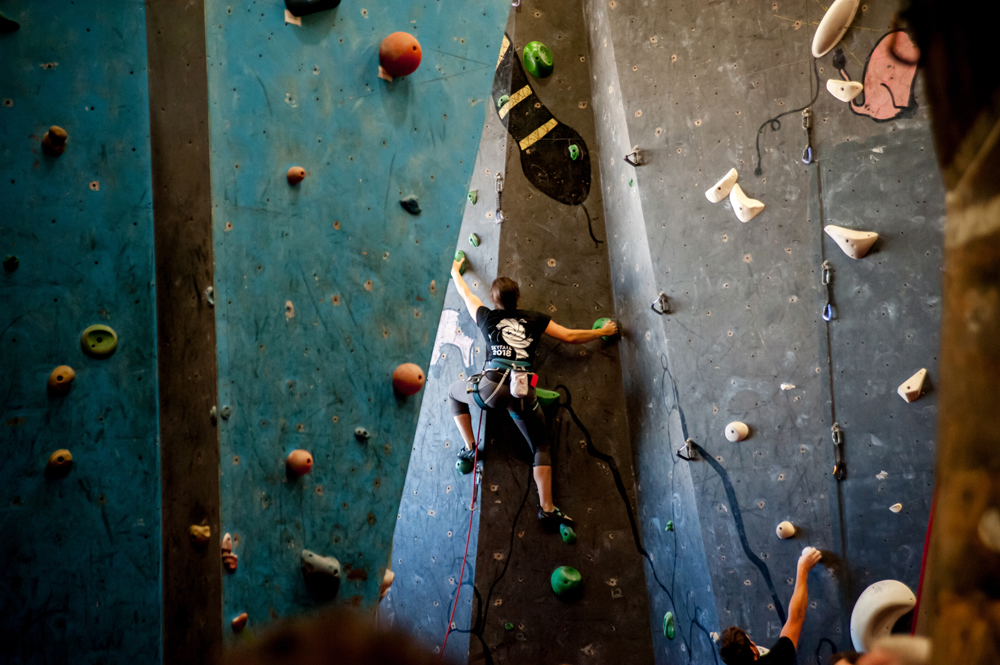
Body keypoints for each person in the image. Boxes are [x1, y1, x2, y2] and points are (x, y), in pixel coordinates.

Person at [448, 256, 617, 524]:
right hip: (521, 392)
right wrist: (603, 331)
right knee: (540, 446)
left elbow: (464, 291)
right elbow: (571, 337)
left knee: (453, 393)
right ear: (518, 297)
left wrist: (456, 271)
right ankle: (547, 509)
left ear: (495, 300)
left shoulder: (486, 316)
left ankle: (470, 447)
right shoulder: (535, 319)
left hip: (489, 389)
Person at [719, 546, 824, 664]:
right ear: (753, 650)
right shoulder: (774, 661)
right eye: (750, 641)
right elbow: (796, 618)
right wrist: (802, 569)